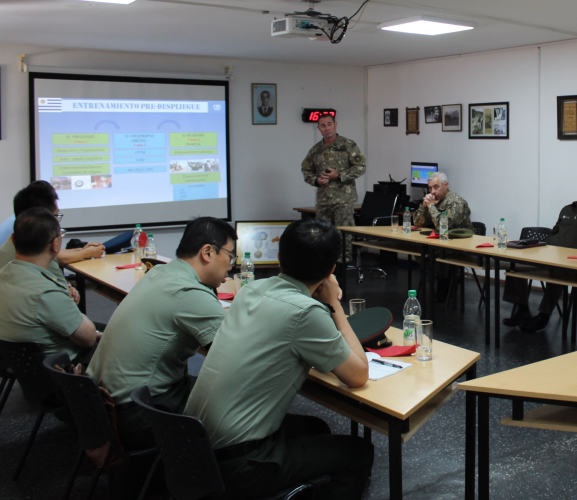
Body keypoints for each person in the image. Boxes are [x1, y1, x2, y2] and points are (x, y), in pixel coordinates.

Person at [184, 219, 373, 500]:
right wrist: (334, 303)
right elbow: (358, 375)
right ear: (331, 270)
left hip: (191, 443)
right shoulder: (306, 312)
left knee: (315, 429)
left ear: (280, 256)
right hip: (237, 464)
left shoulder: (250, 290)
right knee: (358, 452)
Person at [87, 217, 237, 450]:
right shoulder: (189, 293)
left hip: (102, 405)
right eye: (230, 256)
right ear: (207, 252)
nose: (230, 266)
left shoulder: (158, 272)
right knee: (237, 401)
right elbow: (238, 352)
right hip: (138, 415)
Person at [503, 174, 577, 333]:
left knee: (558, 270)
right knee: (515, 264)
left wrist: (570, 249)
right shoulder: (567, 209)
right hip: (553, 257)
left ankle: (543, 316)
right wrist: (552, 247)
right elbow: (554, 233)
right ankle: (522, 309)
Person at [0, 208, 100, 365]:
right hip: (59, 368)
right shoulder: (45, 293)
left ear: (13, 240)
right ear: (55, 244)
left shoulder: (4, 273)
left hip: (15, 365)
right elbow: (88, 339)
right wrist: (74, 310)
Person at [0, 181, 105, 282]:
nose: (56, 222)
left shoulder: (22, 224)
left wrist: (81, 250)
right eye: (56, 215)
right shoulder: (32, 235)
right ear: (43, 217)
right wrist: (87, 253)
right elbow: (59, 258)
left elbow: (56, 254)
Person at [300, 112, 366, 265]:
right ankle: (325, 266)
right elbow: (306, 170)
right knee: (322, 235)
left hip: (344, 199)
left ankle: (343, 266)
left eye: (329, 124)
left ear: (335, 125)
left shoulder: (348, 145)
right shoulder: (315, 150)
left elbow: (361, 167)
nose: (327, 128)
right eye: (323, 126)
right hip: (324, 200)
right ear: (318, 128)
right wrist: (316, 180)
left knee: (344, 233)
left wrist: (340, 175)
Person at [413, 172, 472, 301]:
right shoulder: (432, 200)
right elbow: (417, 223)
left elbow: (444, 226)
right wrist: (424, 206)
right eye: (430, 188)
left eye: (436, 187)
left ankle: (447, 281)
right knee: (419, 251)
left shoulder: (456, 202)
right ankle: (441, 280)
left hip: (458, 242)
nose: (432, 192)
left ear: (446, 185)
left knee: (435, 253)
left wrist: (431, 207)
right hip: (440, 240)